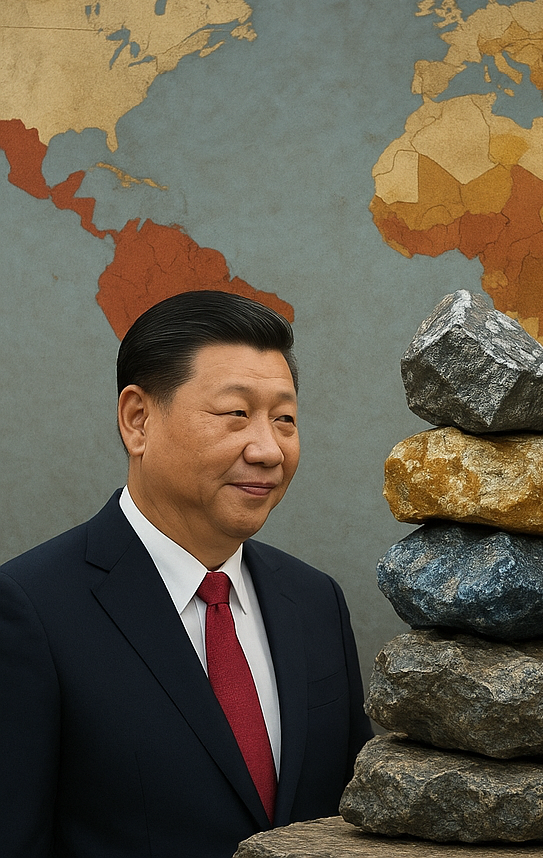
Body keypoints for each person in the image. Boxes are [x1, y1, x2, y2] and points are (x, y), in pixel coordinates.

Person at [0, 290, 372, 858]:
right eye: (236, 414)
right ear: (138, 420)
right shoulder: (30, 609)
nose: (268, 450)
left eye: (285, 419)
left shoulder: (316, 601)